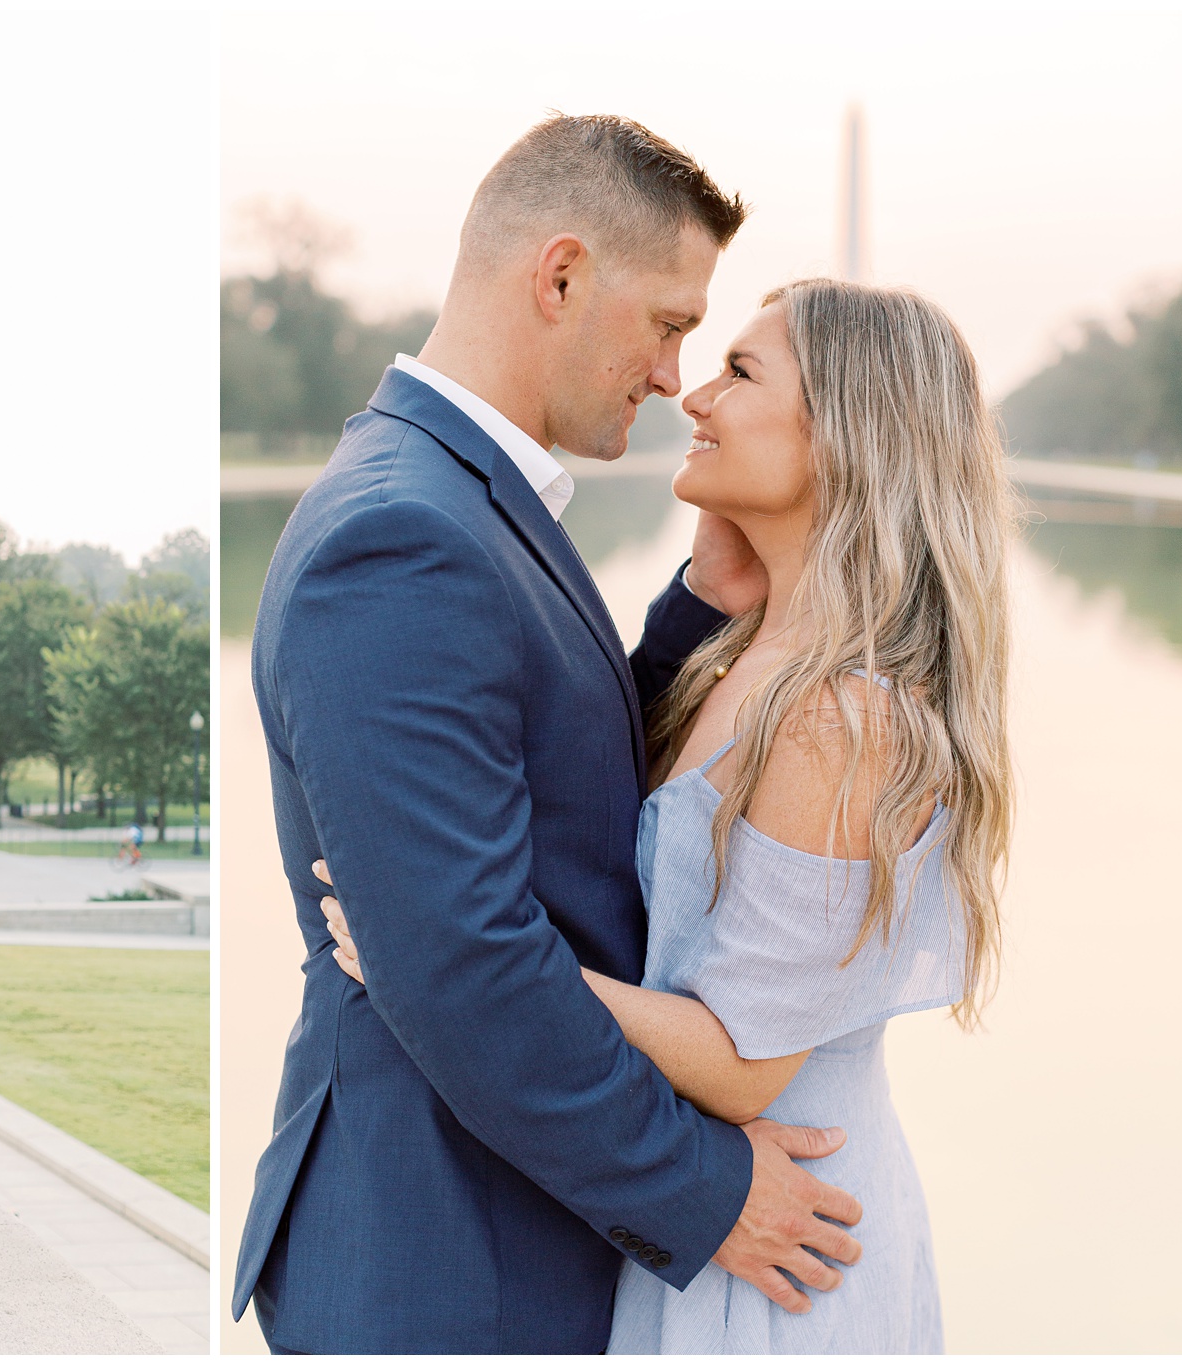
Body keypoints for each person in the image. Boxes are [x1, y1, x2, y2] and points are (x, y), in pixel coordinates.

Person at [232, 114, 866, 1354]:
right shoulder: (398, 538)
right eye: (670, 322)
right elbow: (460, 964)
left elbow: (546, 782)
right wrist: (706, 1190)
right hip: (447, 1260)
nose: (675, 373)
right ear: (561, 275)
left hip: (496, 1235)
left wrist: (695, 613)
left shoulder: (450, 497)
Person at [320, 280, 1015, 1351]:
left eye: (737, 372)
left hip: (783, 1246)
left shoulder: (839, 716)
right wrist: (713, 571)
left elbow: (743, 1058)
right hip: (717, 1226)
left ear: (846, 434)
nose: (689, 395)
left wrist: (430, 953)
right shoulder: (755, 661)